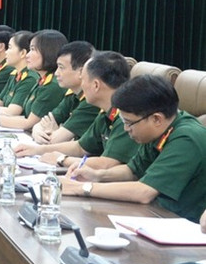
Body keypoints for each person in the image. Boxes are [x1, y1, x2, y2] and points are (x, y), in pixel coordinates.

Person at [63, 74, 206, 223]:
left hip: (187, 230)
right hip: (159, 215)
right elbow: (132, 170)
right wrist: (98, 175)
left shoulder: (187, 138)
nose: (126, 129)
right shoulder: (161, 130)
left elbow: (144, 192)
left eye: (129, 123)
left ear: (156, 119)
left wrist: (81, 188)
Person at [15, 51, 138, 169]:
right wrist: (36, 150)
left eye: (83, 79)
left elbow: (107, 164)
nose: (82, 85)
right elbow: (80, 147)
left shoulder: (126, 116)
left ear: (96, 85)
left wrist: (62, 159)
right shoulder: (106, 112)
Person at [0, 29, 67, 130]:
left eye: (32, 49)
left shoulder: (51, 84)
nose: (28, 55)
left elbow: (28, 122)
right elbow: (0, 103)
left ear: (48, 52)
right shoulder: (41, 80)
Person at [30, 41, 97, 144]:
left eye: (61, 67)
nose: (56, 73)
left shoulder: (91, 101)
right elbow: (43, 123)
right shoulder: (72, 94)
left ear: (81, 72)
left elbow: (54, 140)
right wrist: (36, 130)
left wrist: (53, 133)